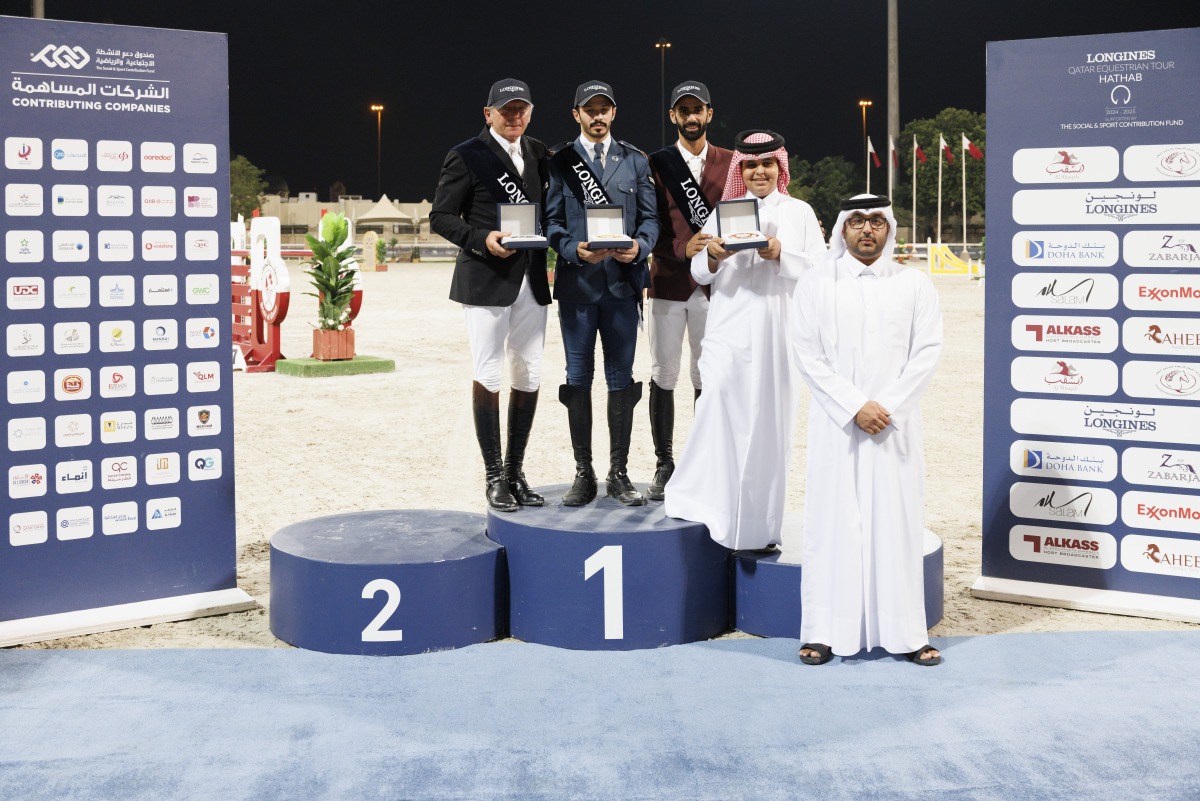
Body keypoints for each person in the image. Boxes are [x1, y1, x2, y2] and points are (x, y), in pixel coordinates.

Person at [790, 194, 944, 667]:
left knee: (897, 525)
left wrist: (887, 407)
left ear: (889, 228)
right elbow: (807, 354)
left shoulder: (914, 283)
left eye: (877, 221)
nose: (867, 230)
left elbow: (928, 351)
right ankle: (823, 631)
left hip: (894, 427)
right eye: (857, 221)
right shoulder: (815, 283)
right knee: (833, 524)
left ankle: (906, 634)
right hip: (837, 426)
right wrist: (856, 406)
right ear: (842, 229)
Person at [664, 130, 824, 549]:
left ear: (779, 166)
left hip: (777, 335)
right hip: (727, 331)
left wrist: (780, 253)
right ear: (741, 169)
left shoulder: (800, 213)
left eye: (767, 164)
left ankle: (757, 524)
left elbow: (822, 273)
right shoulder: (724, 212)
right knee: (716, 411)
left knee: (770, 426)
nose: (759, 172)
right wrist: (714, 255)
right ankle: (703, 504)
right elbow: (698, 271)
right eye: (750, 165)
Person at [429, 79, 552, 513]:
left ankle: (516, 472)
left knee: (530, 373)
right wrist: (481, 238)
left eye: (521, 109)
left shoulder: (539, 153)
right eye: (506, 110)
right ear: (489, 114)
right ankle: (494, 478)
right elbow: (441, 217)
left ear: (530, 112)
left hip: (532, 279)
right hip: (485, 278)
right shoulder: (466, 155)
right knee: (490, 373)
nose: (514, 116)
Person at [545, 81, 659, 507]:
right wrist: (571, 249)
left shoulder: (635, 160)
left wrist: (640, 247)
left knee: (620, 380)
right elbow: (551, 222)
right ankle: (583, 474)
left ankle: (619, 473)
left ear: (614, 113)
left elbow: (650, 219)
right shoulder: (560, 161)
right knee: (577, 380)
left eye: (604, 109)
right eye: (589, 109)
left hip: (622, 286)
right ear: (576, 114)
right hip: (577, 286)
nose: (597, 116)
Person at [644, 81, 733, 502]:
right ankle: (664, 463)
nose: (692, 117)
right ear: (673, 116)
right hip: (667, 282)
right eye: (684, 110)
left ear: (709, 114)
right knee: (664, 374)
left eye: (698, 109)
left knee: (705, 374)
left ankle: (701, 461)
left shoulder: (732, 163)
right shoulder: (655, 163)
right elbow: (646, 222)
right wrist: (682, 247)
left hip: (713, 286)